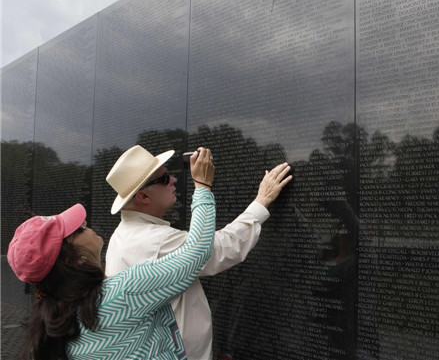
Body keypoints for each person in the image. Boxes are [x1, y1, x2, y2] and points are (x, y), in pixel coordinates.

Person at [7, 147, 217, 360]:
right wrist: (202, 186)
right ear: (74, 258)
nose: (85, 223)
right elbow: (197, 251)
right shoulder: (126, 292)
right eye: (79, 229)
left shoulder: (53, 321)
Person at [104, 145, 293, 360]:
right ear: (144, 196)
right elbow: (220, 248)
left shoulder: (123, 234)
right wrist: (262, 200)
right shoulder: (154, 240)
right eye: (164, 179)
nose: (174, 180)